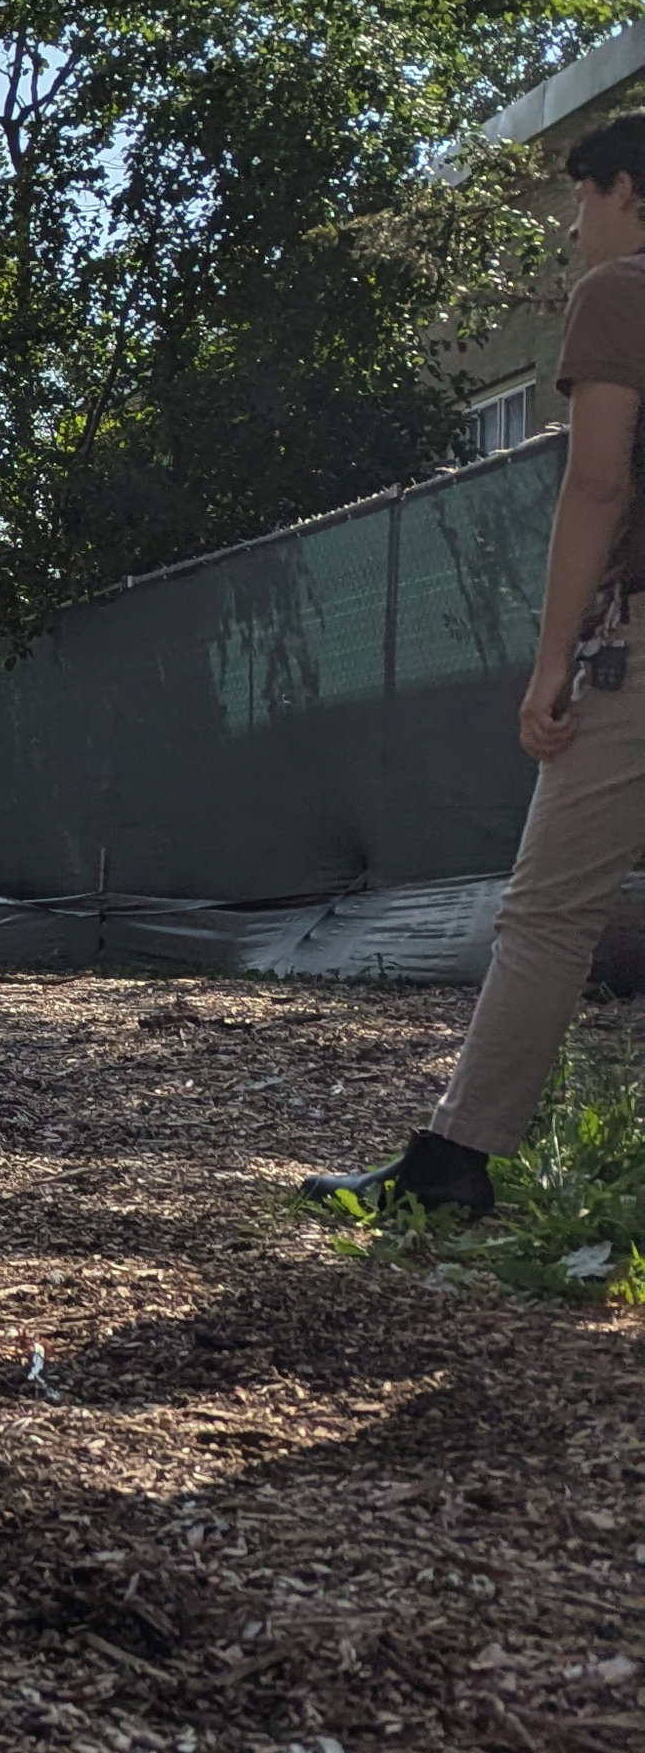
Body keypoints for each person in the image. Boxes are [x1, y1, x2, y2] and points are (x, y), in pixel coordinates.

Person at [309, 115, 645, 1219]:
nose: (575, 226)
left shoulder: (622, 291)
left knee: (549, 912)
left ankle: (454, 1167)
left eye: (582, 200)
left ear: (628, 191)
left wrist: (553, 663)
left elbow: (595, 486)